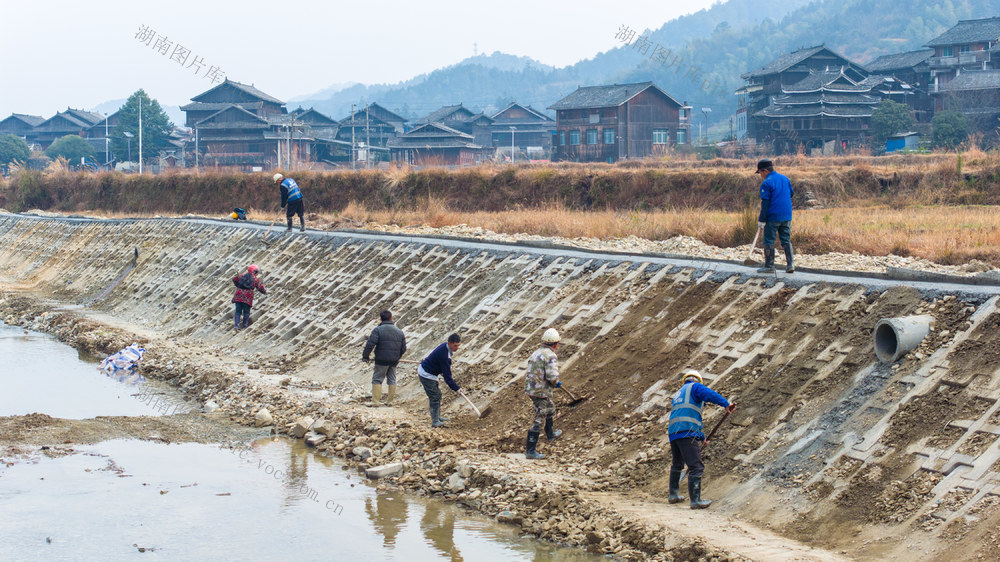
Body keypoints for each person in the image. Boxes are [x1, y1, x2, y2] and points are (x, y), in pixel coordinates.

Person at [668, 369, 736, 510]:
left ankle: (673, 495)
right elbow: (709, 394)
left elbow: (689, 416)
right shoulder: (695, 387)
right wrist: (725, 404)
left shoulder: (679, 394)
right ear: (697, 380)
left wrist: (702, 438)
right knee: (696, 466)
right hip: (687, 432)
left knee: (677, 464)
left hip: (674, 433)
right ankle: (695, 500)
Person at [524, 328, 563, 460]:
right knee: (540, 418)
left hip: (531, 388)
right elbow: (552, 376)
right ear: (556, 344)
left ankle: (551, 434)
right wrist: (556, 382)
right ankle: (530, 451)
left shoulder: (537, 352)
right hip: (540, 391)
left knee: (550, 408)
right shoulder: (550, 356)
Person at [755, 159, 795, 274]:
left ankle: (769, 266)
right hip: (786, 216)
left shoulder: (767, 183)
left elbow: (765, 203)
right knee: (786, 240)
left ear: (765, 171)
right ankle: (790, 265)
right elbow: (791, 194)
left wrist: (762, 219)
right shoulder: (785, 179)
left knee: (768, 240)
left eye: (760, 172)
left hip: (772, 217)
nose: (761, 175)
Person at [362, 310, 406, 407]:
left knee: (377, 379)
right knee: (392, 379)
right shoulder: (399, 331)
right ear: (391, 318)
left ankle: (375, 402)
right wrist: (397, 357)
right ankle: (390, 402)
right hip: (394, 360)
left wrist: (365, 356)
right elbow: (403, 348)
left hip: (381, 360)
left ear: (381, 319)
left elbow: (370, 344)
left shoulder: (378, 330)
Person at [418, 333, 462, 427]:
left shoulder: (445, 347)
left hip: (430, 372)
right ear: (449, 343)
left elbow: (442, 367)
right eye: (455, 345)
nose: (457, 348)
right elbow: (447, 376)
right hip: (426, 374)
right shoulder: (444, 355)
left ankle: (438, 417)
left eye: (458, 345)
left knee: (437, 395)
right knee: (435, 396)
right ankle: (435, 421)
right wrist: (456, 388)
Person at [231, 264, 266, 332]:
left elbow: (235, 279)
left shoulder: (242, 276)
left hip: (238, 295)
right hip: (248, 296)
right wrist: (264, 292)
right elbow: (260, 287)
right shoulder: (255, 279)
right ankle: (244, 326)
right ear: (254, 272)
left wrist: (238, 285)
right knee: (246, 312)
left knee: (238, 311)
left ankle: (236, 326)